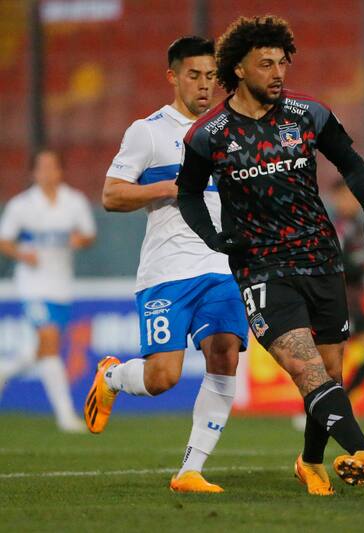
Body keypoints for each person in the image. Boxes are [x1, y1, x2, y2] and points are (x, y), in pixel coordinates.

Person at [176, 15, 364, 496]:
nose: (279, 72)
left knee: (332, 372)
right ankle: (363, 452)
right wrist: (213, 237)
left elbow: (350, 161)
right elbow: (188, 194)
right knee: (306, 369)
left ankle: (311, 461)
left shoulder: (307, 114)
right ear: (237, 69)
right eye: (266, 63)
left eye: (283, 62)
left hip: (321, 259)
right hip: (262, 270)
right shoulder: (208, 134)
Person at [83, 36, 249, 493]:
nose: (204, 85)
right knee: (163, 378)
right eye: (194, 75)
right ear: (173, 76)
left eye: (212, 76)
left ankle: (191, 470)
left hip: (221, 267)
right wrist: (168, 188)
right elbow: (112, 195)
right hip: (166, 272)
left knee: (225, 354)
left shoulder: (233, 131)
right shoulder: (149, 131)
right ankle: (112, 376)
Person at [0, 149, 96, 432]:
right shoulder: (22, 205)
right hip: (33, 284)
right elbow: (4, 240)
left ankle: (4, 370)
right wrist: (22, 254)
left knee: (41, 349)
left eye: (52, 167)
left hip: (61, 285)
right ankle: (65, 415)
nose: (47, 173)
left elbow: (88, 234)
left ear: (60, 171)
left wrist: (80, 240)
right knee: (50, 341)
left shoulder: (74, 201)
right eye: (41, 167)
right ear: (33, 173)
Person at [331, 181, 364, 396]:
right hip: (341, 301)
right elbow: (336, 262)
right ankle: (319, 409)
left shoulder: (356, 225)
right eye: (347, 197)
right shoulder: (338, 227)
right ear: (337, 199)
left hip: (354, 302)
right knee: (333, 358)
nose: (353, 201)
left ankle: (343, 401)